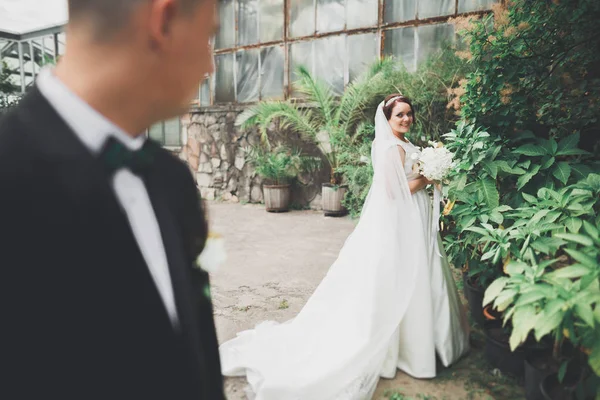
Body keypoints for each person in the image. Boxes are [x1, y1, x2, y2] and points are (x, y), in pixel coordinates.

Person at [0, 0, 223, 399]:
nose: (210, 66)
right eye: (209, 36)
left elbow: (199, 353)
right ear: (165, 20)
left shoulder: (174, 182)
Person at [220, 94, 470, 399]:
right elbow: (394, 191)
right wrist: (429, 177)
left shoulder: (397, 143)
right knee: (401, 274)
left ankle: (419, 341)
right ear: (388, 119)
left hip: (408, 216)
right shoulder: (392, 147)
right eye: (400, 115)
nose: (406, 119)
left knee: (412, 272)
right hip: (401, 217)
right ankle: (407, 349)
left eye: (409, 114)